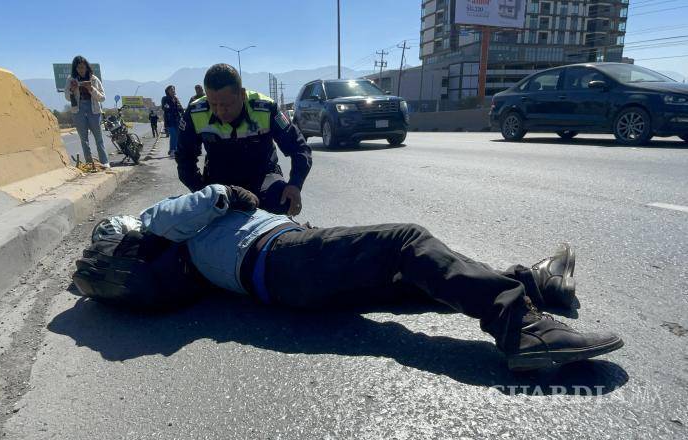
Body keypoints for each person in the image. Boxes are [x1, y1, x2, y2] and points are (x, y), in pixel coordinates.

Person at [89, 185, 622, 372]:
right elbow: (193, 204)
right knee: (404, 241)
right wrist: (230, 192)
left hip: (284, 280)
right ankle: (522, 326)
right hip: (281, 256)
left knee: (415, 277)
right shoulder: (163, 225)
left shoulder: (186, 257)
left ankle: (532, 284)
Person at [176, 64, 312, 216]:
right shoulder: (195, 112)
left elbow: (299, 148)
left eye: (227, 104)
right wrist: (200, 191)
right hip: (220, 182)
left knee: (283, 201)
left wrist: (295, 184)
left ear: (241, 94)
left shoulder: (265, 109)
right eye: (213, 104)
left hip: (262, 177)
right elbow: (184, 158)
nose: (220, 111)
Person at [64, 55, 109, 169]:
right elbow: (67, 98)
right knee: (84, 140)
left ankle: (105, 162)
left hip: (93, 109)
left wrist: (91, 88)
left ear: (87, 67)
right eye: (78, 68)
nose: (81, 70)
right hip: (78, 110)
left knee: (98, 138)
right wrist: (72, 90)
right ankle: (90, 163)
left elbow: (102, 98)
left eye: (83, 67)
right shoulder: (71, 79)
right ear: (75, 69)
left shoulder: (94, 79)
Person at [161, 85, 183, 158]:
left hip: (178, 120)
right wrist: (169, 108)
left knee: (178, 135)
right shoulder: (165, 98)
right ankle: (172, 150)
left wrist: (184, 115)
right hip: (170, 120)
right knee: (173, 135)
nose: (173, 91)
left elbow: (180, 108)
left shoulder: (176, 98)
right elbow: (165, 108)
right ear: (167, 91)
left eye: (173, 89)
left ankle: (175, 149)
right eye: (171, 90)